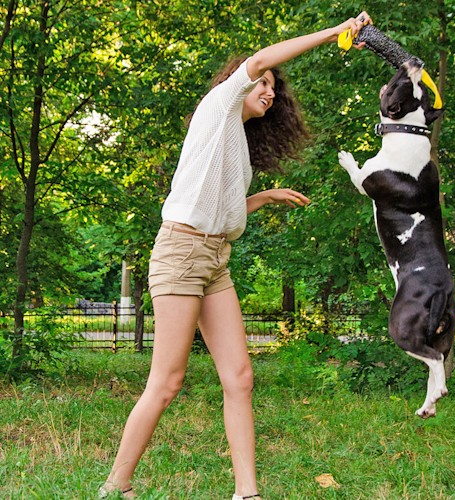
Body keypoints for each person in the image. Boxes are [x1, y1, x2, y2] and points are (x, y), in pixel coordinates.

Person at [100, 11, 372, 499]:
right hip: (182, 253)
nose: (270, 91)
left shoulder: (237, 147)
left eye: (274, 89)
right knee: (167, 382)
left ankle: (247, 493)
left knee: (240, 377)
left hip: (215, 260)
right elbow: (263, 57)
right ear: (238, 83)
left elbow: (218, 209)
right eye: (263, 84)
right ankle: (115, 486)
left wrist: (263, 198)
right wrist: (336, 32)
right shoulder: (217, 106)